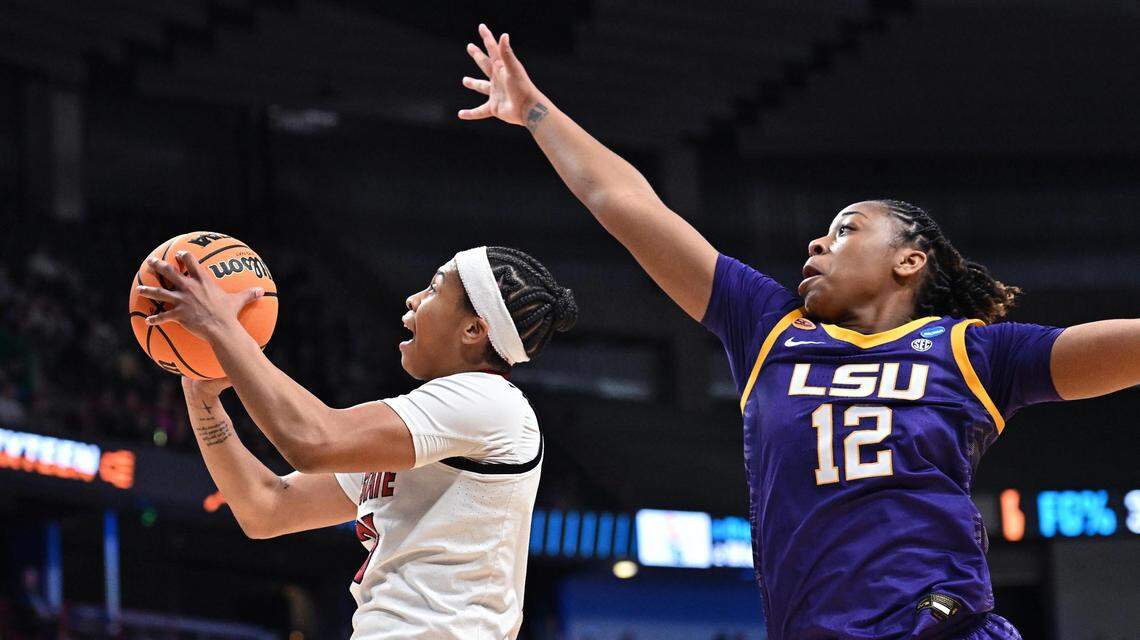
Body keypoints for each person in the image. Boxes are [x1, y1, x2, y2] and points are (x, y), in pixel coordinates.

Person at [457, 24, 1140, 640]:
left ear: (910, 259)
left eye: (846, 229)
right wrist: (537, 113)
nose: (817, 242)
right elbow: (627, 203)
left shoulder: (976, 351)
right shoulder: (768, 327)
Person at [138, 245, 577, 639]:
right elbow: (267, 508)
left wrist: (221, 326)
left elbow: (311, 440)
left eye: (434, 289)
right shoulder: (434, 427)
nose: (414, 299)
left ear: (473, 331)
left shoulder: (490, 403)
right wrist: (203, 403)